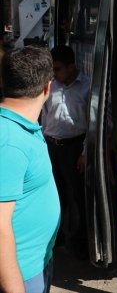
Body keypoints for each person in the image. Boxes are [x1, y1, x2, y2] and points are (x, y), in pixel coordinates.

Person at [0, 46, 60, 293]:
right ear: (48, 87)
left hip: (35, 262)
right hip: (20, 275)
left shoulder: (21, 126)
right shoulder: (9, 142)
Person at [41, 45, 91, 260]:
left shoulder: (88, 88)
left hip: (75, 149)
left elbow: (97, 123)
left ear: (72, 66)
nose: (55, 74)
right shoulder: (51, 86)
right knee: (53, 194)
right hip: (52, 146)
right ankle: (57, 238)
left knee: (77, 197)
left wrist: (86, 151)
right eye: (52, 70)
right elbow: (43, 115)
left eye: (58, 69)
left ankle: (80, 243)